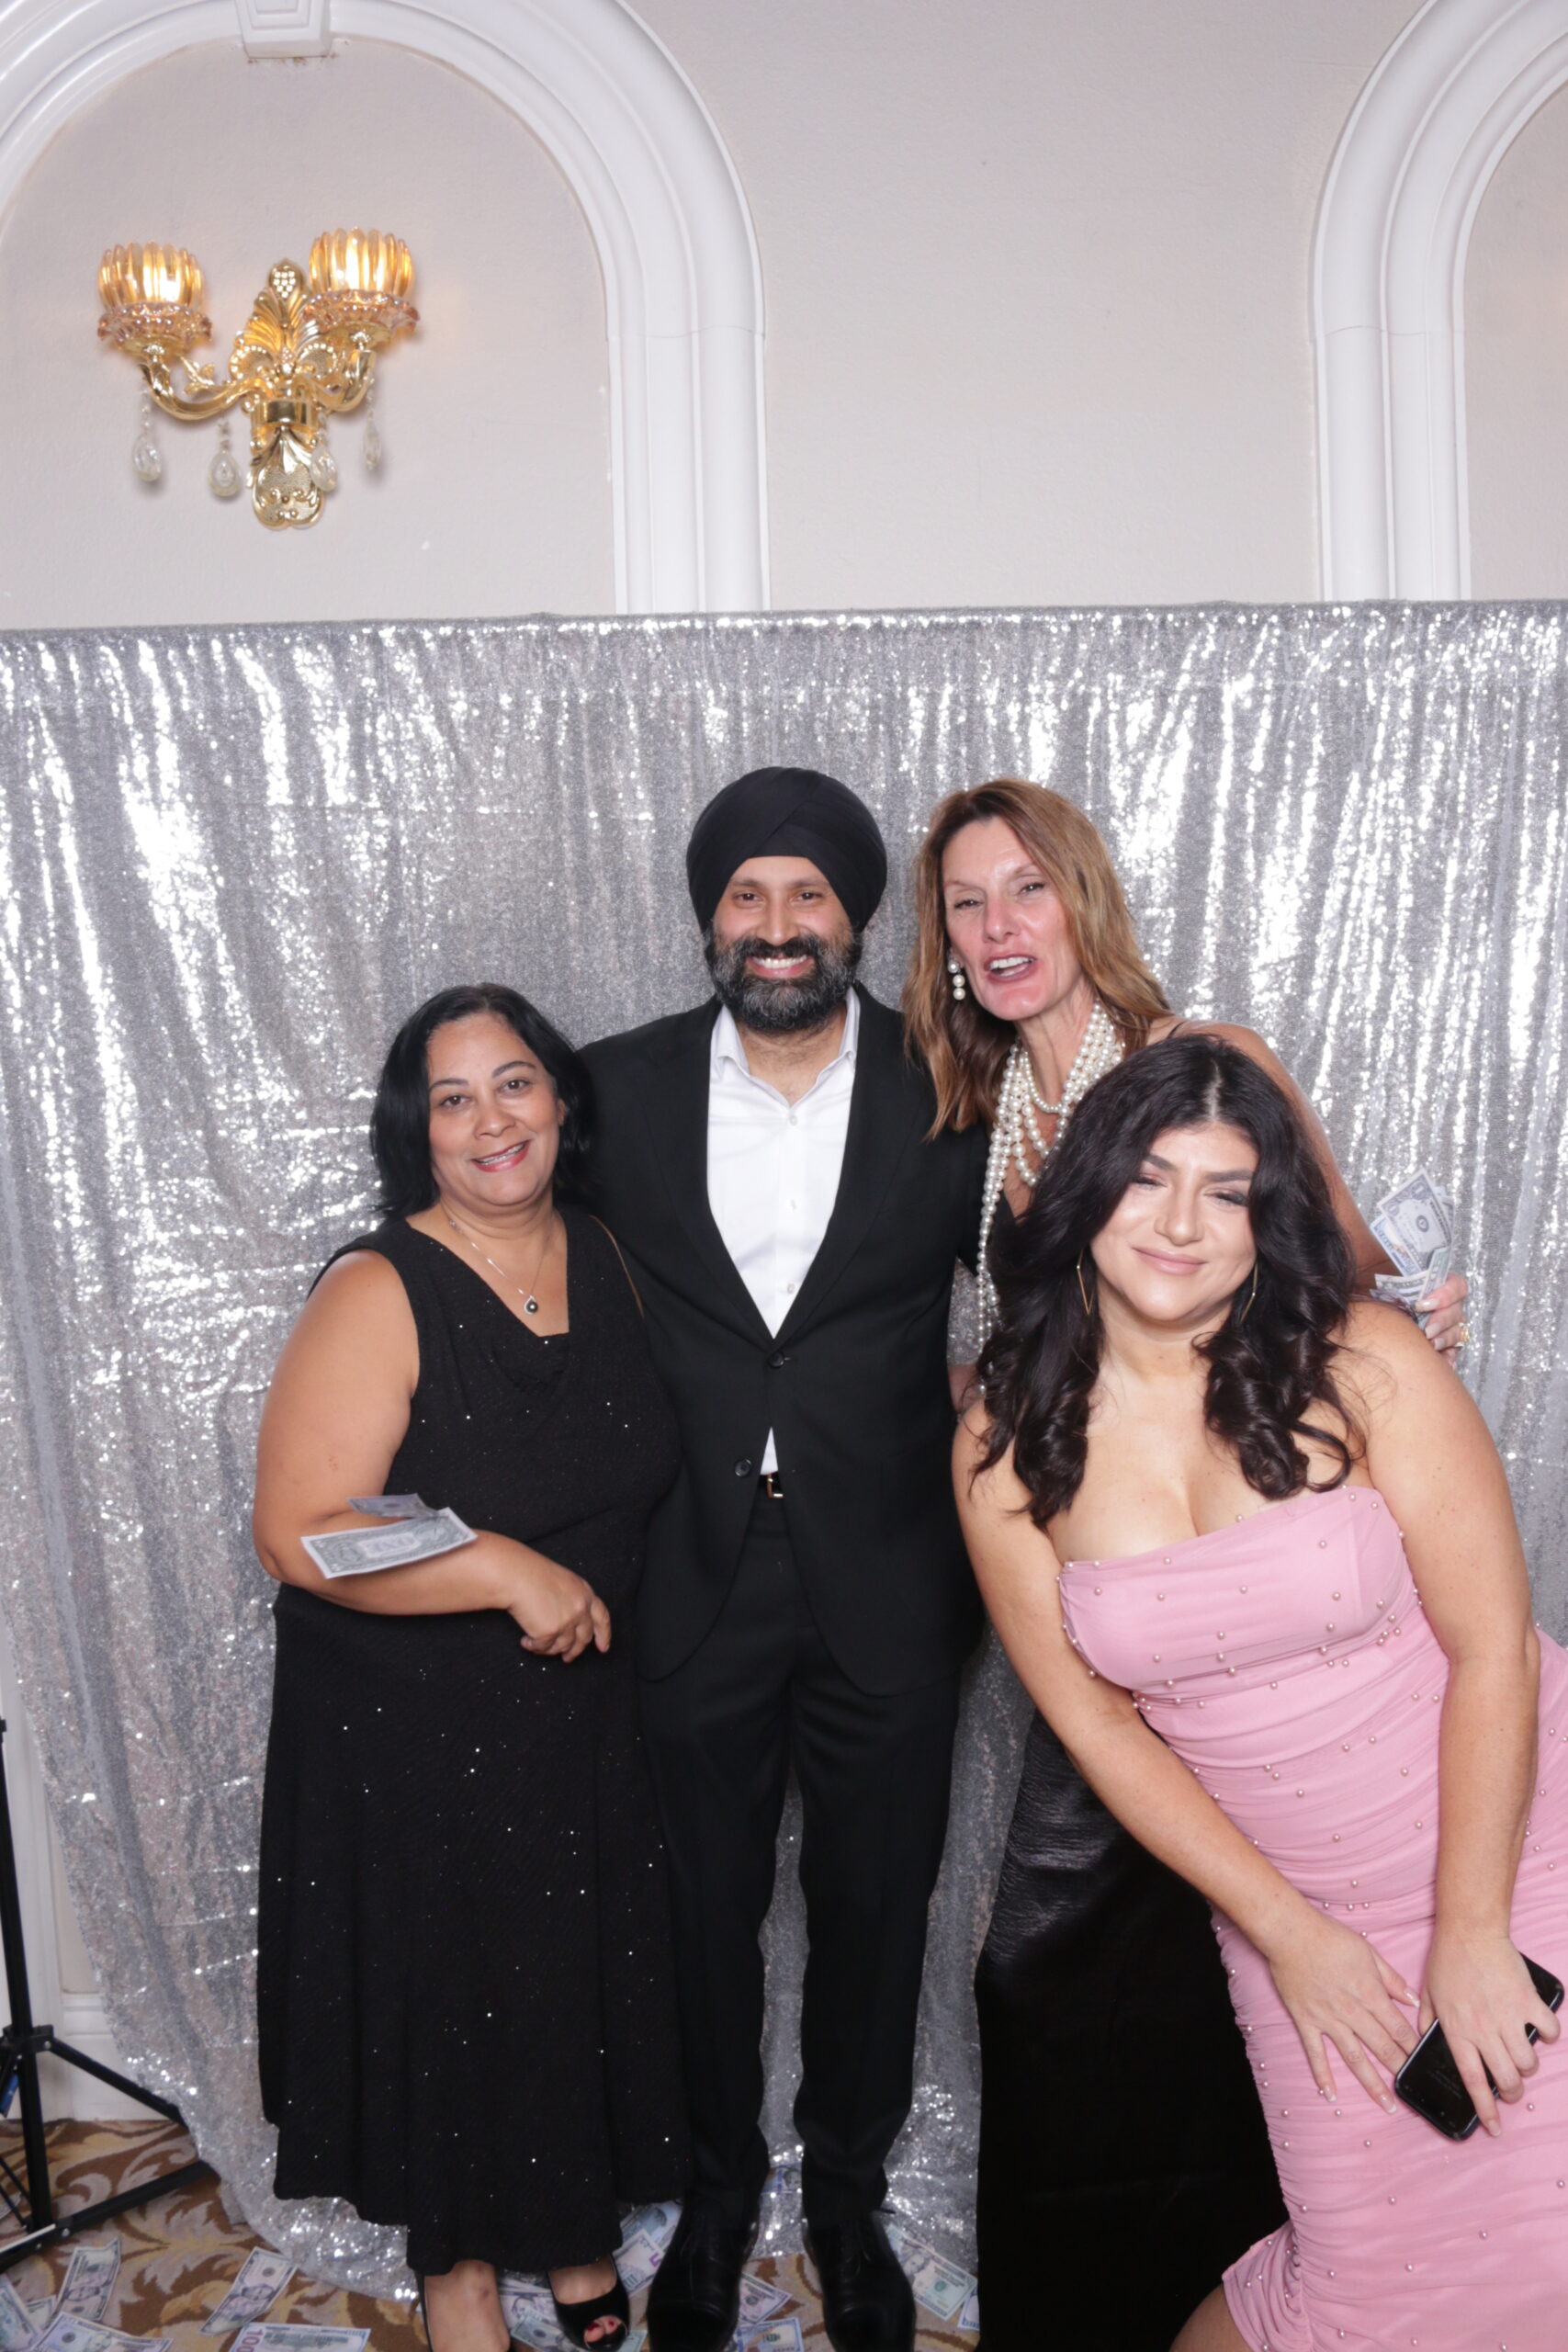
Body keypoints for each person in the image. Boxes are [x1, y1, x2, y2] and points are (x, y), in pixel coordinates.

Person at [903, 776, 1472, 2352]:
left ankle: (1320, 2242)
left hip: (1269, 1584)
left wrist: (1418, 1323)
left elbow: (1343, 1285)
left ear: (1084, 900)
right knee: (1066, 1986)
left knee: (1225, 1976)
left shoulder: (1202, 1065)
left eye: (1028, 888)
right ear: (941, 941)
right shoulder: (983, 1124)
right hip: (1121, 1592)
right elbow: (1021, 1357)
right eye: (966, 901)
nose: (1000, 925)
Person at [953, 1031, 1567, 2352]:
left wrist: (1471, 1928)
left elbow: (1497, 1650)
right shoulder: (1005, 1443)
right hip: (1296, 1912)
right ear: (1088, 1189)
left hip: (1517, 1851)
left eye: (1225, 1193)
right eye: (1149, 1179)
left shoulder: (1363, 1360)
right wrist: (1289, 1934)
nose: (1180, 1225)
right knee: (1362, 2294)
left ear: (1264, 1218)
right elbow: (1098, 1725)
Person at [581, 768, 987, 2352]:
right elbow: (501, 1256)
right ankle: (714, 2195)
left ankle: (848, 2202)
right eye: (746, 896)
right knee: (698, 1915)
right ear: (709, 919)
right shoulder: (610, 1089)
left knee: (877, 1912)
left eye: (807, 895)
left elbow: (1089, 1266)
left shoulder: (955, 1085)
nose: (776, 924)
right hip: (687, 1573)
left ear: (857, 918)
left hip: (894, 1575)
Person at [254, 983, 688, 2352]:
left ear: (559, 1098)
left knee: (559, 1978)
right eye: (453, 1098)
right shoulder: (380, 1285)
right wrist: (502, 1566)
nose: (491, 1120)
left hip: (581, 1710)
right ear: (419, 1132)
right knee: (458, 1992)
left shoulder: (608, 1251)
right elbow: (301, 1528)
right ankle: (457, 2274)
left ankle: (569, 2228)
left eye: (513, 1083)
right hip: (416, 1723)